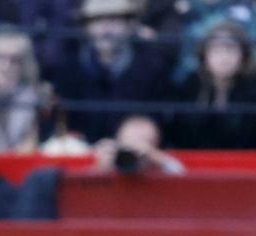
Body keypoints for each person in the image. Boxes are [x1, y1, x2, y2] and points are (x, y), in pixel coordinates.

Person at [48, 0, 172, 143]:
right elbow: (58, 126)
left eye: (114, 20)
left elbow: (160, 124)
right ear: (86, 27)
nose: (106, 29)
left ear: (130, 25)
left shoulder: (152, 70)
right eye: (97, 21)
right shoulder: (67, 72)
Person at [167, 18, 256, 147]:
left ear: (244, 56)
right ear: (204, 56)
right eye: (216, 50)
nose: (224, 58)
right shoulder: (190, 86)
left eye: (231, 50)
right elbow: (181, 135)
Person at [88, 110, 186, 170]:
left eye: (140, 147)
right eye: (127, 147)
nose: (132, 154)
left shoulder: (159, 166)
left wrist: (159, 159)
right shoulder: (108, 165)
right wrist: (98, 168)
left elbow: (182, 176)